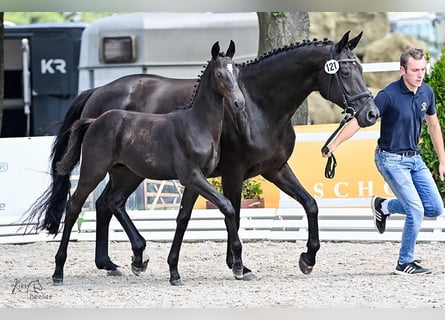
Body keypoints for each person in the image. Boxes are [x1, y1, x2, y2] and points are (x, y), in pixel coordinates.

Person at [323, 47, 445, 275]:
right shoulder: (388, 96)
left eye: (422, 69)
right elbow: (360, 122)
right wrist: (334, 144)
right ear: (403, 70)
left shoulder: (426, 92)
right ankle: (404, 262)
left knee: (435, 208)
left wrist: (442, 160)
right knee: (416, 210)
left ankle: (384, 205)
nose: (420, 74)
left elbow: (434, 125)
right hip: (389, 159)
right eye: (415, 70)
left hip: (415, 159)